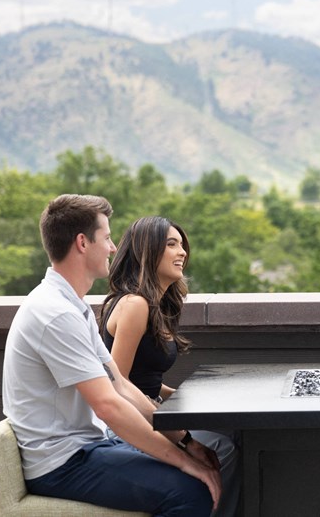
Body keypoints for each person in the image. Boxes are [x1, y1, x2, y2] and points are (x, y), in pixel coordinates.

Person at [2, 195, 220, 516]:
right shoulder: (55, 313)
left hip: (89, 445)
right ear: (82, 243)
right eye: (106, 238)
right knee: (190, 493)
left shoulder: (74, 306)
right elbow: (108, 405)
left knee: (202, 464)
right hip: (62, 462)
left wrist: (187, 442)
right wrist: (185, 462)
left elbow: (121, 385)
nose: (113, 247)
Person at [99, 216, 241, 517]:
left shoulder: (157, 305)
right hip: (129, 426)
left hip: (152, 412)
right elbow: (118, 383)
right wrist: (173, 424)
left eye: (182, 245)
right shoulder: (135, 305)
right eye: (172, 244)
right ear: (147, 251)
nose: (182, 252)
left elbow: (145, 379)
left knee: (232, 430)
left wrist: (183, 397)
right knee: (223, 447)